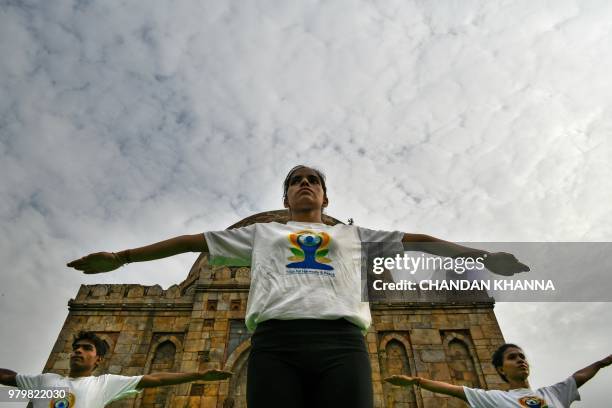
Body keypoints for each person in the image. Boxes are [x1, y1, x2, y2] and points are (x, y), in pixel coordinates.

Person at [67, 165, 528, 408]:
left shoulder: (350, 235)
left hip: (341, 341)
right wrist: (123, 257)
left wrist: (484, 257)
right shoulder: (262, 235)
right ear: (284, 197)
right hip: (276, 341)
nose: (305, 185)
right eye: (296, 181)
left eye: (313, 181)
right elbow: (192, 241)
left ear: (326, 197)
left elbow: (419, 239)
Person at [0, 331, 232, 408]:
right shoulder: (45, 381)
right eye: (76, 348)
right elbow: (8, 378)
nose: (78, 352)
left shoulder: (103, 384)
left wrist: (198, 375)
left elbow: (154, 379)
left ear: (99, 358)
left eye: (86, 348)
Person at [384, 343, 612, 407]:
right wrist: (414, 381)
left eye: (522, 356)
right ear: (501, 369)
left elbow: (579, 376)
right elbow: (451, 389)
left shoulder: (553, 394)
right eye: (513, 357)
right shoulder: (495, 399)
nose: (521, 360)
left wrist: (604, 362)